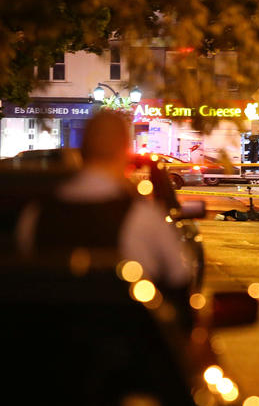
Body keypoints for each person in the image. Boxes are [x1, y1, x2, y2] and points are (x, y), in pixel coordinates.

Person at [16, 110, 193, 293]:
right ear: (125, 152)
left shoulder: (35, 215)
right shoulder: (145, 218)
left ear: (83, 150)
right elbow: (180, 279)